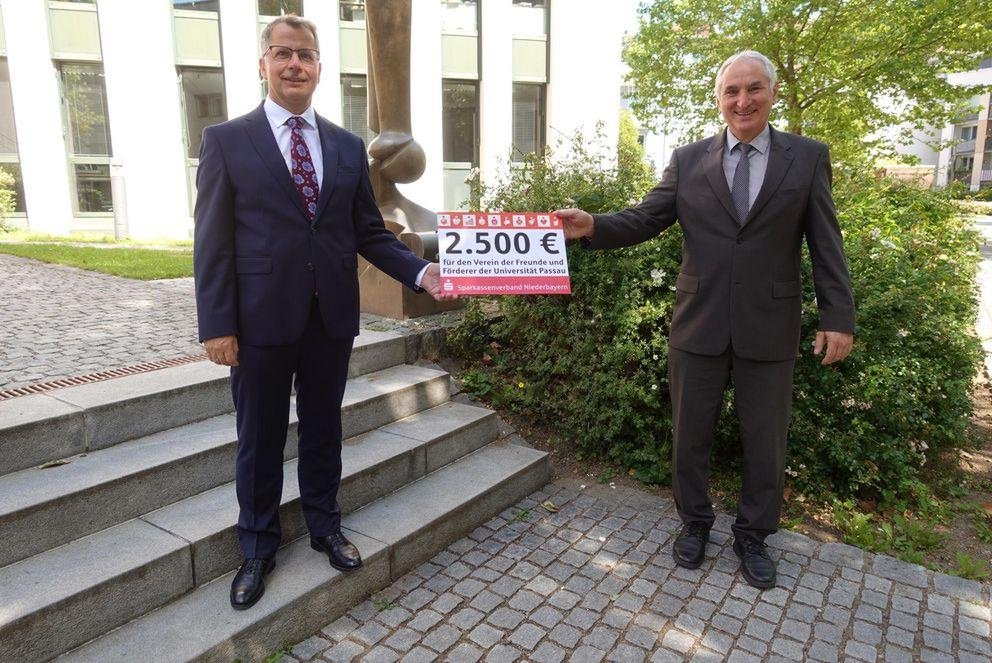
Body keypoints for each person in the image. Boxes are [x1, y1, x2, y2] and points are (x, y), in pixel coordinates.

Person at [556, 50, 855, 589]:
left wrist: (838, 316)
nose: (742, 100)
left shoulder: (807, 158)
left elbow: (825, 242)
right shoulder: (689, 159)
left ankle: (754, 535)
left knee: (766, 440)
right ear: (719, 99)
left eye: (753, 89)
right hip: (699, 323)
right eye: (731, 91)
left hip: (771, 324)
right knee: (689, 435)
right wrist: (591, 225)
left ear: (772, 93)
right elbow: (647, 217)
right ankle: (694, 524)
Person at [193, 14, 451, 610]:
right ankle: (257, 546)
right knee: (257, 437)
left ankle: (324, 525)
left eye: (305, 56)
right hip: (258, 322)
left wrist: (421, 270)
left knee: (324, 427)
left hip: (329, 318)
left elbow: (368, 231)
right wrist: (218, 325)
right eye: (282, 54)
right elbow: (213, 243)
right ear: (263, 64)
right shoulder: (227, 141)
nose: (294, 65)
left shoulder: (345, 146)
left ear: (318, 68)